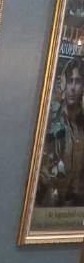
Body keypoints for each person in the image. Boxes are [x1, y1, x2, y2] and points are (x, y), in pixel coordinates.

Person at [37, 58, 84, 207]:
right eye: (69, 81)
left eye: (77, 82)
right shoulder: (50, 120)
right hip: (47, 205)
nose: (72, 88)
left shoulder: (81, 125)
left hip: (75, 209)